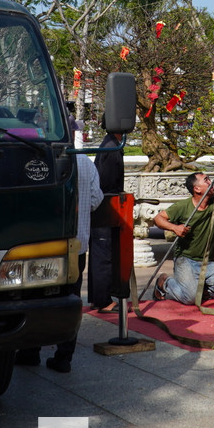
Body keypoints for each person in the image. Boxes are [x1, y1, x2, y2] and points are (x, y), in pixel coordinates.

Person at [16, 152, 103, 373]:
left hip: (39, 247)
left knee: (34, 297)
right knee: (71, 298)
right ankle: (64, 357)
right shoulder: (85, 162)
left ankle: (30, 351)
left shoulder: (34, 161)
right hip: (75, 246)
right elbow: (96, 199)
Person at [152, 172, 214, 304]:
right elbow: (158, 219)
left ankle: (202, 287)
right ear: (197, 189)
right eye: (206, 180)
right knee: (190, 298)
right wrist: (174, 228)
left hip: (207, 261)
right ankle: (165, 282)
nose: (211, 183)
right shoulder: (183, 206)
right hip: (185, 260)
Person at [87, 130, 124, 312]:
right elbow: (106, 184)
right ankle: (103, 300)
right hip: (105, 208)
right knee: (103, 255)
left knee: (99, 255)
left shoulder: (111, 145)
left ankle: (98, 297)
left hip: (103, 209)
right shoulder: (111, 148)